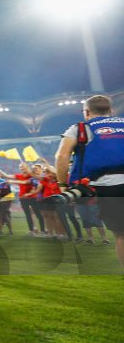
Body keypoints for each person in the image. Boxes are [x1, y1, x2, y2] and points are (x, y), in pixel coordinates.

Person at [55, 94, 124, 265]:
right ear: (111, 111)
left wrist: (63, 185)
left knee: (121, 234)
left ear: (86, 112)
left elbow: (62, 156)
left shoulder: (79, 129)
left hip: (108, 187)